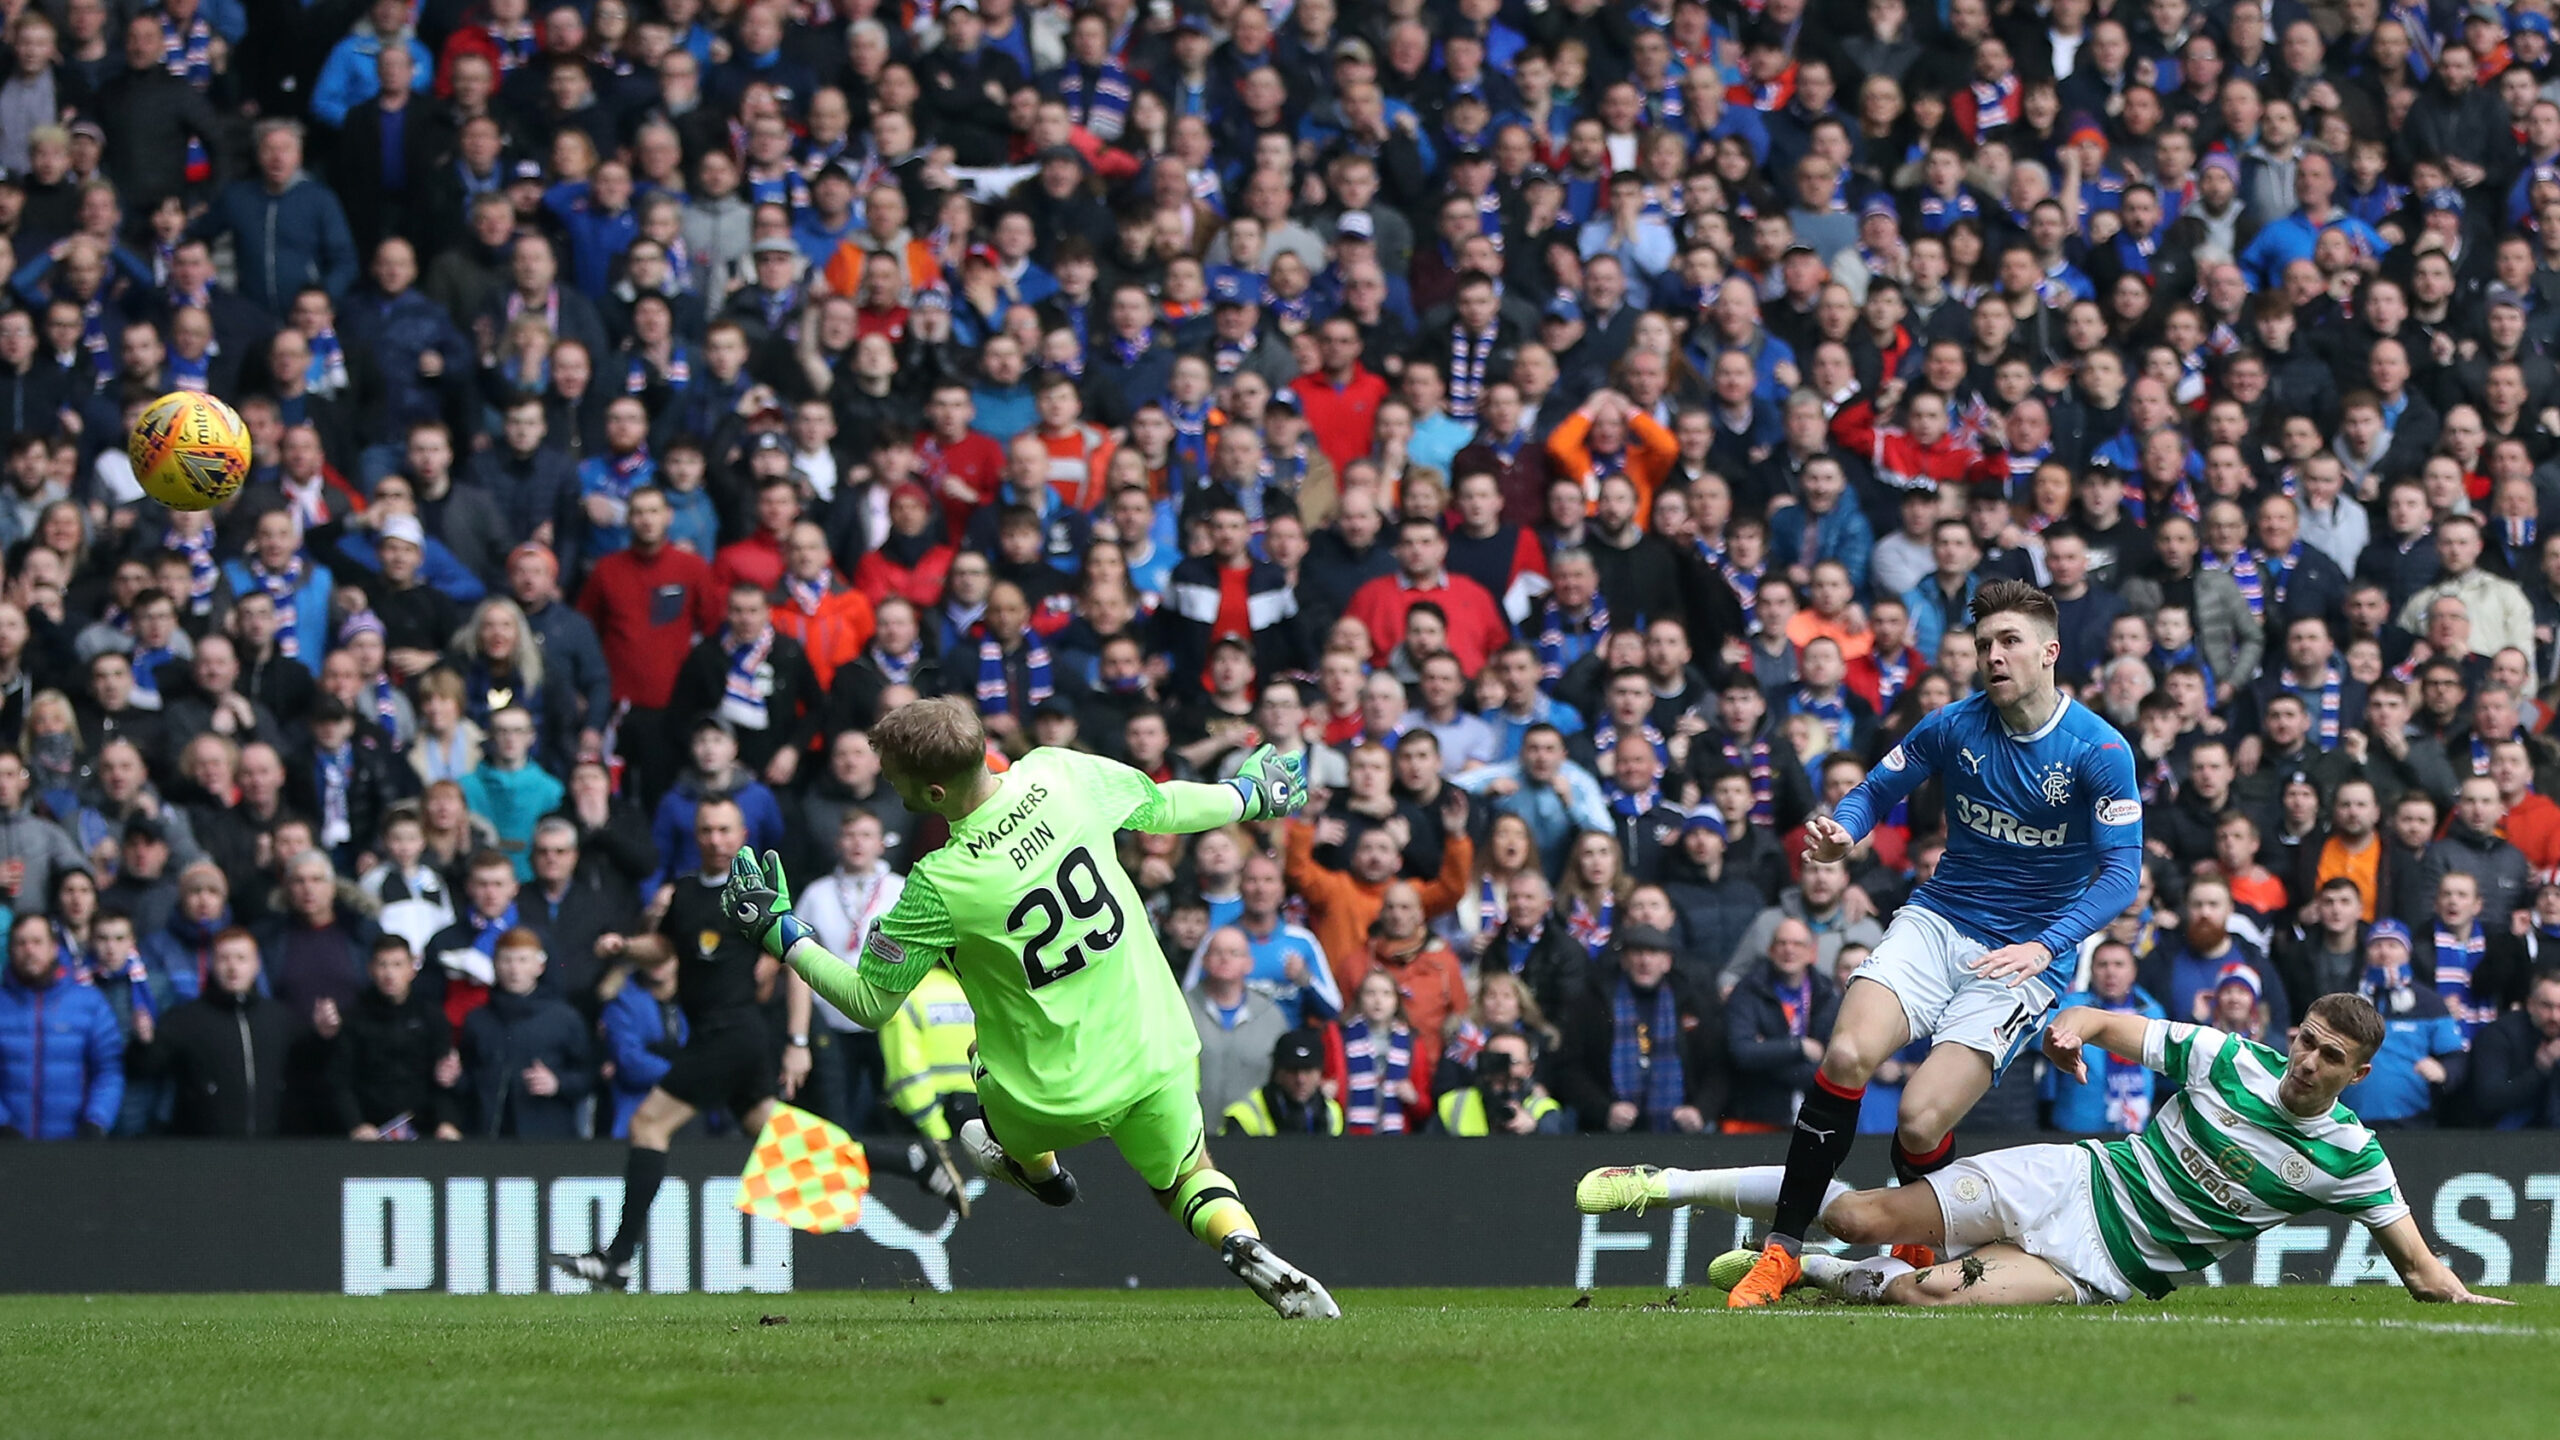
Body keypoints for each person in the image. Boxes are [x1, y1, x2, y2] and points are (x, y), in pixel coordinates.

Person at [708, 696, 1341, 1318]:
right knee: (1186, 1179)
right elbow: (1162, 804)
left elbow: (868, 1003)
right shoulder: (1060, 774)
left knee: (980, 1092)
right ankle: (1241, 1242)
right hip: (1154, 1053)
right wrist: (1251, 796)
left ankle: (1039, 1174)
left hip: (1048, 1097)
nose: (890, 789)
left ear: (932, 794)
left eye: (896, 779)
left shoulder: (938, 883)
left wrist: (779, 932)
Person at [1718, 579, 2141, 1309]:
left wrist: (2048, 946)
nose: (1992, 657)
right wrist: (1846, 831)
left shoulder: (2099, 750)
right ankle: (1783, 1251)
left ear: (2050, 651)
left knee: (1919, 1118)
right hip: (1938, 920)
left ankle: (1918, 1239)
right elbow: (1876, 788)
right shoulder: (1953, 724)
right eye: (1983, 646)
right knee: (1847, 1054)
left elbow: (2121, 873)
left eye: (2008, 642)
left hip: (2023, 958)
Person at [1584, 994, 2510, 1309]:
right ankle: (1664, 1183)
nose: (2305, 1062)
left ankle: (1813, 1273)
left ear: (2358, 1071)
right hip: (2076, 1175)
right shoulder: (2228, 1057)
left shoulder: (2353, 1158)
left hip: (2106, 1265)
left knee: (1917, 1294)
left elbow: (2422, 1272)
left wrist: (2473, 1303)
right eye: (2304, 1039)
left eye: (2329, 1056)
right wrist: (2072, 1028)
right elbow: (2106, 1019)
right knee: (1867, 1210)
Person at [457, 928, 592, 1139]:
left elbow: (589, 1075)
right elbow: (468, 1077)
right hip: (488, 1137)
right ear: (495, 965)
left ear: (539, 966)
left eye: (522, 960)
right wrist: (454, 1076)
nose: (514, 969)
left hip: (548, 1138)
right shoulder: (477, 1020)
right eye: (507, 960)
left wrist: (557, 1083)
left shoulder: (564, 1018)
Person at [326, 935, 461, 1140]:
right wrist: (356, 1125)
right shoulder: (353, 1017)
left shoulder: (432, 1016)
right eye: (382, 965)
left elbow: (443, 1077)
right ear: (370, 969)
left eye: (397, 965)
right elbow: (340, 1081)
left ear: (412, 969)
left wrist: (446, 1122)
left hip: (424, 1130)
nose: (389, 974)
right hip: (370, 1133)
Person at [0, 912, 122, 1138]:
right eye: (21, 943)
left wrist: (97, 1120)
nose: (29, 950)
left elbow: (109, 1070)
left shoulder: (89, 1003)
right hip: (7, 1146)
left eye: (37, 942)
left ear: (53, 948)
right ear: (10, 950)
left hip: (72, 1148)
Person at [1428, 1030, 1565, 1135]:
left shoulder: (1543, 1108)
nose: (1502, 1070)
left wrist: (1534, 1128)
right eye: (1496, 1060)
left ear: (1529, 1069)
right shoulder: (1455, 1102)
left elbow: (1559, 1154)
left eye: (1512, 1062)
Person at [1220, 1029, 1345, 1137]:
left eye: (1308, 1071)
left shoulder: (1332, 1114)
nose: (1300, 1079)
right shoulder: (1243, 1115)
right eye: (1292, 1070)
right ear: (1277, 1073)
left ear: (1320, 1073)